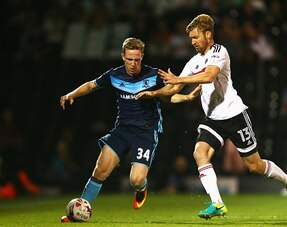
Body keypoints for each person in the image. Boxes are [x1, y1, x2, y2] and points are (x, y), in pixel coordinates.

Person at [136, 14, 287, 219]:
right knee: (199, 153)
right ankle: (218, 203)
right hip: (212, 119)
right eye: (190, 39)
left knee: (254, 165)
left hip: (234, 115)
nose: (193, 41)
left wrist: (179, 78)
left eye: (196, 37)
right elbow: (174, 88)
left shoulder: (219, 51)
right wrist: (154, 94)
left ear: (208, 34)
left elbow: (209, 76)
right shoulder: (194, 61)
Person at [59, 37, 200, 222]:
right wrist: (72, 94)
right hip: (122, 129)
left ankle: (142, 188)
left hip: (146, 132)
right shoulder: (114, 75)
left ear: (142, 56)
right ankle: (79, 210)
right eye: (130, 59)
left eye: (137, 59)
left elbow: (168, 97)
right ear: (122, 56)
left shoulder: (154, 75)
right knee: (100, 169)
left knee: (136, 180)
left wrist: (186, 98)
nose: (133, 64)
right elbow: (91, 85)